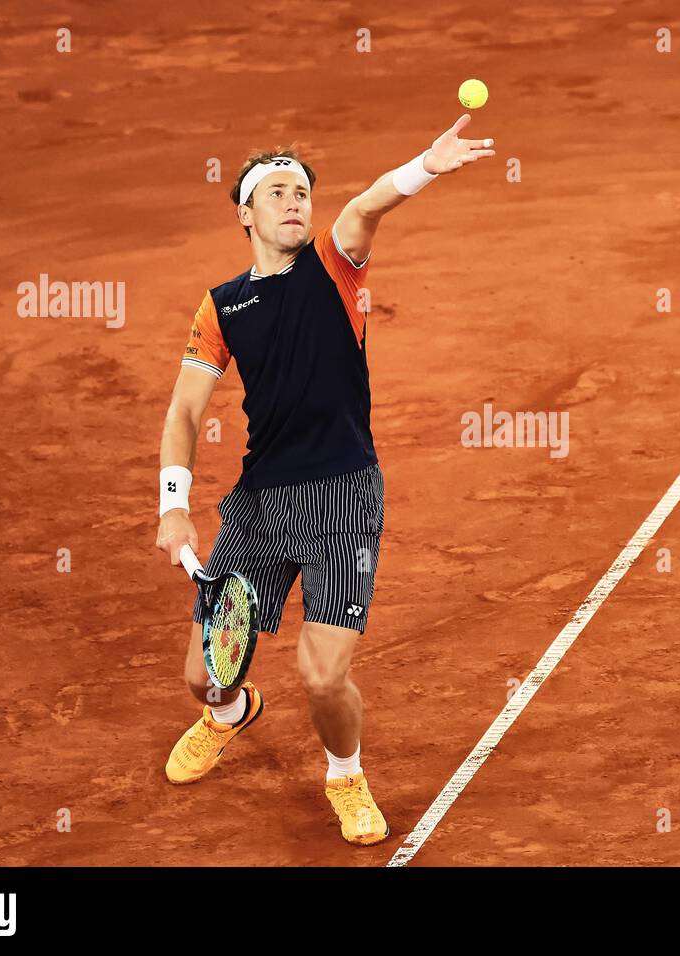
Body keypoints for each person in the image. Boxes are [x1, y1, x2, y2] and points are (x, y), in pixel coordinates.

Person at [153, 115, 495, 845]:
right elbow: (185, 408)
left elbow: (368, 205)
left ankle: (345, 773)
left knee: (321, 676)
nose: (294, 202)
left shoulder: (336, 265)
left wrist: (424, 167)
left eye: (302, 191)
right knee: (204, 676)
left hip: (343, 494)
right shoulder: (221, 306)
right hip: (259, 505)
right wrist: (173, 508)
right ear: (245, 214)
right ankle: (228, 714)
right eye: (275, 192)